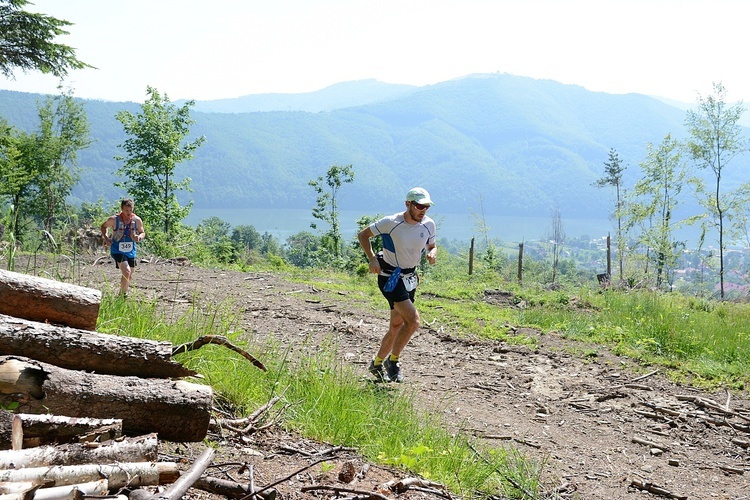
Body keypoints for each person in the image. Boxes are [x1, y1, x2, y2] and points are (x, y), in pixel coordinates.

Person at [357, 187, 437, 383]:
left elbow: (432, 245)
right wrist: (372, 258)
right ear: (407, 204)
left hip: (410, 278)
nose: (423, 210)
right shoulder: (390, 223)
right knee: (414, 320)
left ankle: (376, 364)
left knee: (396, 325)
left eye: (426, 206)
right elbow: (363, 235)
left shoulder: (428, 224)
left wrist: (432, 253)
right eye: (419, 206)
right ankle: (393, 361)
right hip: (389, 277)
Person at [101, 198, 146, 297]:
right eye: (126, 210)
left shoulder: (137, 220)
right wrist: (106, 238)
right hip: (117, 249)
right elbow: (103, 227)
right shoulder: (114, 219)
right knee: (127, 271)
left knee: (129, 275)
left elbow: (142, 232)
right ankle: (123, 296)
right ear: (122, 209)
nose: (129, 213)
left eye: (131, 210)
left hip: (131, 250)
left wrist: (138, 237)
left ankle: (120, 294)